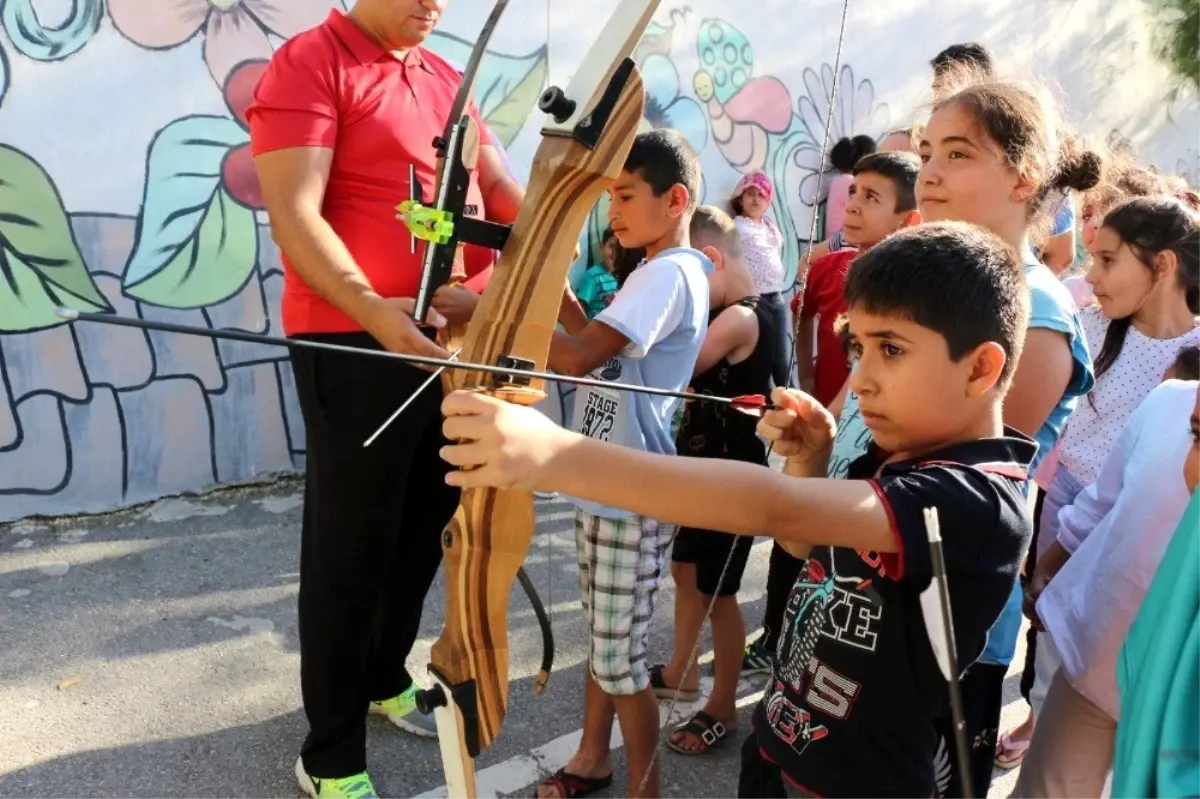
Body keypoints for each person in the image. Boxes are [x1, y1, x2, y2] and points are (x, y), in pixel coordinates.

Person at [439, 221, 1039, 799]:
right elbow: (810, 550)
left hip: (862, 782)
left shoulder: (978, 498)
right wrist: (812, 460)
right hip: (781, 752)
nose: (861, 380)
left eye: (891, 349)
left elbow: (770, 506)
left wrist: (554, 456)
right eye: (858, 348)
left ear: (981, 367)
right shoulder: (896, 461)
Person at [245, 2, 526, 796]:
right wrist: (376, 311)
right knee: (351, 545)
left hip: (445, 344)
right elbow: (296, 213)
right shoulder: (313, 60)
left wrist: (533, 246)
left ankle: (379, 674)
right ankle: (328, 754)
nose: (432, 3)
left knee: (421, 524)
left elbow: (506, 198)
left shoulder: (446, 79)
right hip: (352, 341)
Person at [915, 77, 1100, 797]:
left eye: (957, 153)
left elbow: (957, 477)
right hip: (865, 582)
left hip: (946, 621)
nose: (928, 170)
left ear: (1023, 177)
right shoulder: (924, 278)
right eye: (927, 150)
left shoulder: (1040, 311)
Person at [537, 129, 711, 799]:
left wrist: (484, 310)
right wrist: (552, 283)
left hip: (628, 493)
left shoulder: (668, 271)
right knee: (608, 642)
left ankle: (646, 789)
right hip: (608, 481)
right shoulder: (652, 270)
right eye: (610, 196)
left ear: (675, 199)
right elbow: (592, 343)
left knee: (619, 658)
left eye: (626, 194)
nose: (614, 210)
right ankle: (591, 757)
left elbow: (575, 358)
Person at [741, 150, 922, 677]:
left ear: (909, 219)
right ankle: (778, 642)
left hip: (868, 484)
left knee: (835, 599)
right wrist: (815, 415)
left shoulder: (914, 294)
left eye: (873, 197)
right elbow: (848, 381)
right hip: (830, 459)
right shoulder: (835, 266)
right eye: (853, 194)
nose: (854, 206)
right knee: (792, 555)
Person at [1018, 376, 1200, 797]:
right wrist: (1051, 562)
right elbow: (1104, 498)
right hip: (1101, 658)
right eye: (1197, 434)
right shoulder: (1167, 401)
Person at [650, 205, 775, 757]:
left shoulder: (741, 317)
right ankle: (680, 670)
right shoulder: (748, 308)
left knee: (719, 593)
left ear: (712, 259)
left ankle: (722, 703)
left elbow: (675, 366)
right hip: (704, 471)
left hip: (731, 480)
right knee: (686, 570)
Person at [730, 170, 792, 388]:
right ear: (741, 198)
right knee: (762, 358)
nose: (755, 199)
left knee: (781, 357)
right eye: (750, 194)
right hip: (756, 299)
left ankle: (790, 402)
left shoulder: (768, 226)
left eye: (761, 195)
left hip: (777, 296)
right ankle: (764, 406)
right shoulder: (737, 227)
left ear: (767, 201)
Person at [574, 228, 621, 319]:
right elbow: (579, 307)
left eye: (620, 249)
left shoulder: (626, 276)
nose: (615, 253)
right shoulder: (593, 277)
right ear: (602, 248)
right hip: (597, 330)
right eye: (611, 246)